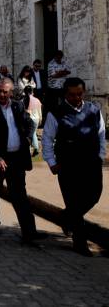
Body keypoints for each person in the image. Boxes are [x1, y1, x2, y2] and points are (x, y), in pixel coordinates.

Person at [42, 78, 105, 257]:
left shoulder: (94, 110)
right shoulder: (56, 113)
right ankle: (80, 243)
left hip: (92, 163)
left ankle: (65, 217)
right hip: (67, 165)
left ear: (83, 93)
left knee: (94, 195)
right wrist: (51, 161)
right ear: (65, 94)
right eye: (72, 95)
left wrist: (100, 155)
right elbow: (47, 139)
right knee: (74, 201)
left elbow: (101, 134)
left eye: (79, 94)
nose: (76, 98)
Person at [0, 78, 43, 244]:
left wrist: (29, 137)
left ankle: (29, 231)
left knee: (19, 195)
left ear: (11, 92)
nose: (2, 95)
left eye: (6, 92)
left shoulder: (17, 105)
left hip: (16, 158)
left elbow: (30, 122)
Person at [23, 86, 42, 157]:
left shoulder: (25, 99)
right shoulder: (37, 100)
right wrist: (40, 119)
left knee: (29, 134)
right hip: (37, 118)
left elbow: (26, 111)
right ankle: (35, 148)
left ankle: (34, 148)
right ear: (32, 91)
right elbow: (40, 111)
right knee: (33, 133)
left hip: (30, 119)